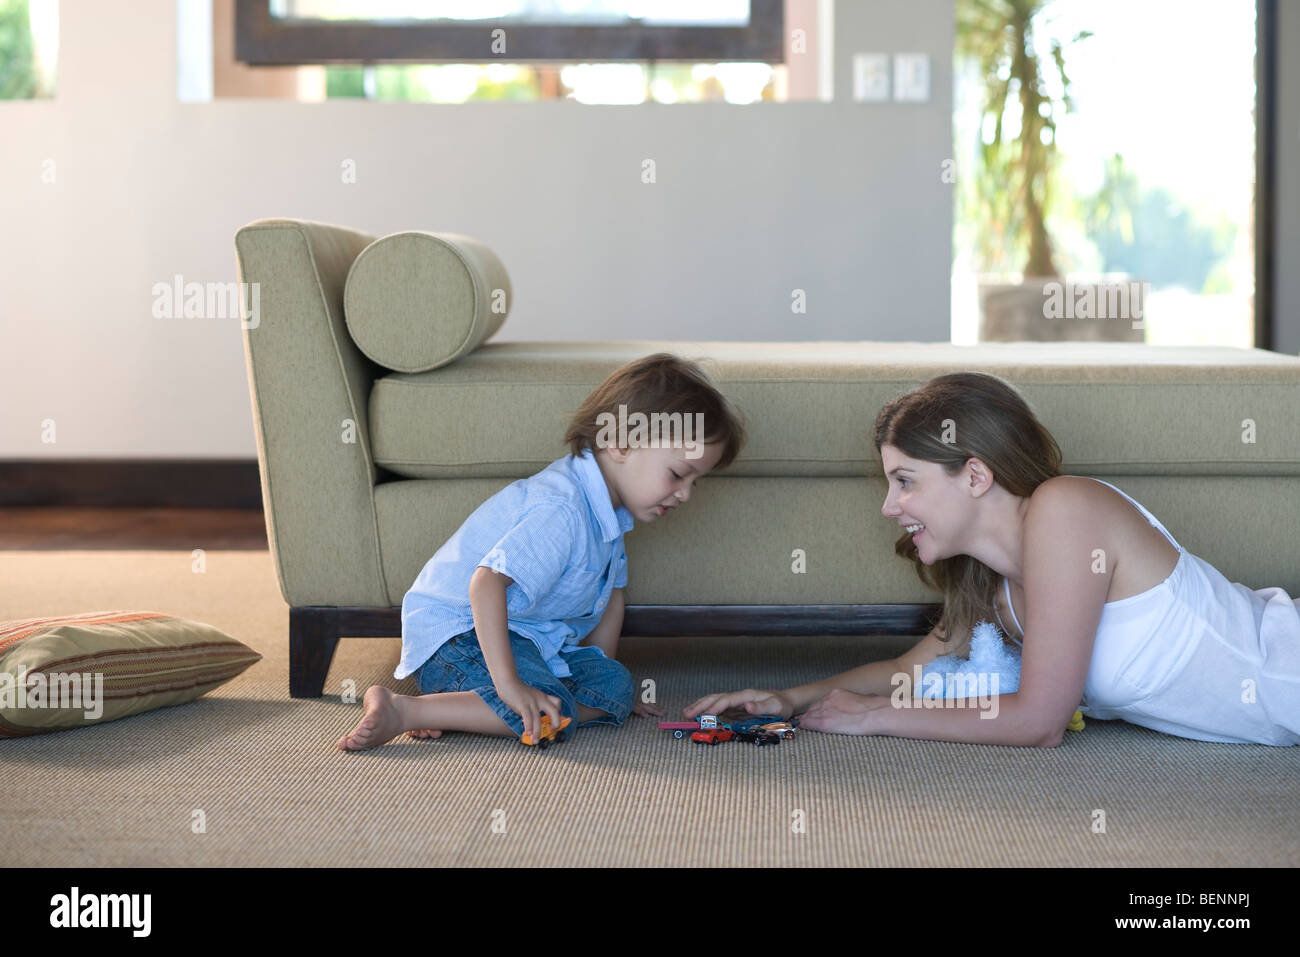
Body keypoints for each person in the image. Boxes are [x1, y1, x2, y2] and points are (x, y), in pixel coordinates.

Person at [686, 371, 1299, 748]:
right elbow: (909, 669)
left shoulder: (1065, 509)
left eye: (905, 481)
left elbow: (1038, 721)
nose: (889, 507)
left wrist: (877, 717)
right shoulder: (993, 586)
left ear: (975, 474)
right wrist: (790, 698)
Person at [339, 353, 747, 751]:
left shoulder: (610, 516)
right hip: (462, 637)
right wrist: (510, 684)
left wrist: (596, 674)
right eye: (678, 474)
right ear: (622, 444)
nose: (685, 494)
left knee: (617, 687)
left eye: (696, 482)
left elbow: (611, 598)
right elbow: (485, 585)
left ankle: (476, 708)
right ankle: (408, 711)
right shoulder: (562, 509)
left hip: (530, 641)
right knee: (540, 702)